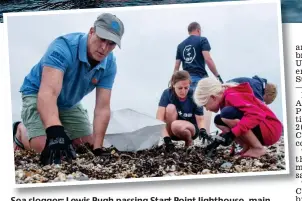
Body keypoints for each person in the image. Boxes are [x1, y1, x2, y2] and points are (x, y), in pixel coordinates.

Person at [12, 13, 125, 165]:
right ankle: (20, 131)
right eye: (102, 38)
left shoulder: (109, 64)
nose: (104, 48)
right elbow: (48, 93)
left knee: (86, 146)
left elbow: (102, 108)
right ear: (92, 31)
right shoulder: (62, 47)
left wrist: (98, 148)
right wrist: (55, 132)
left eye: (111, 43)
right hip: (38, 93)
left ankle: (59, 126)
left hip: (69, 103)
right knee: (45, 146)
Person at [193, 77, 282, 158]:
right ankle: (246, 147)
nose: (207, 109)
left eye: (205, 105)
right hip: (262, 128)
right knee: (218, 120)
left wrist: (232, 134)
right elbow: (232, 125)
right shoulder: (225, 100)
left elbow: (256, 115)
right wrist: (218, 140)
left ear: (213, 97)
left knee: (227, 114)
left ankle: (257, 148)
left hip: (271, 130)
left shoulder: (231, 96)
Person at [173, 22, 223, 134]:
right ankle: (206, 133)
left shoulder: (181, 46)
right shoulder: (202, 40)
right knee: (206, 103)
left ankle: (191, 133)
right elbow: (208, 59)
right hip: (200, 79)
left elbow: (176, 67)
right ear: (198, 30)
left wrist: (174, 83)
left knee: (191, 105)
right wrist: (217, 76)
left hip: (187, 81)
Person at [156, 70, 212, 151]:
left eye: (186, 88)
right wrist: (166, 138)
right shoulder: (167, 93)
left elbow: (200, 119)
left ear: (189, 85)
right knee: (170, 108)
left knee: (176, 125)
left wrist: (203, 130)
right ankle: (169, 140)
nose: (183, 91)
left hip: (190, 130)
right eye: (180, 88)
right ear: (173, 84)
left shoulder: (194, 95)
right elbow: (159, 119)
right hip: (171, 131)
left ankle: (188, 141)